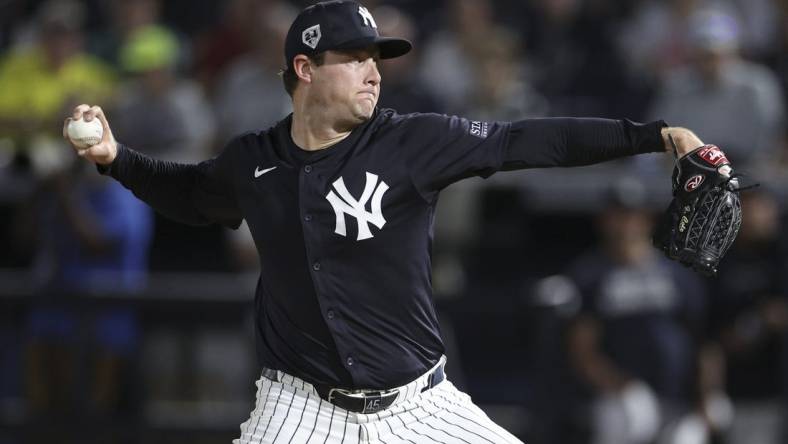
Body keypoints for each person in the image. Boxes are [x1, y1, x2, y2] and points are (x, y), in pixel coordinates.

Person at [62, 1, 709, 442]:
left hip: (423, 403)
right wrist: (116, 158)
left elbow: (529, 140)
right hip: (300, 412)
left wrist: (652, 134)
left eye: (377, 56)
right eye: (354, 56)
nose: (374, 70)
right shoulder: (253, 160)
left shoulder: (414, 141)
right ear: (305, 69)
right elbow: (190, 195)